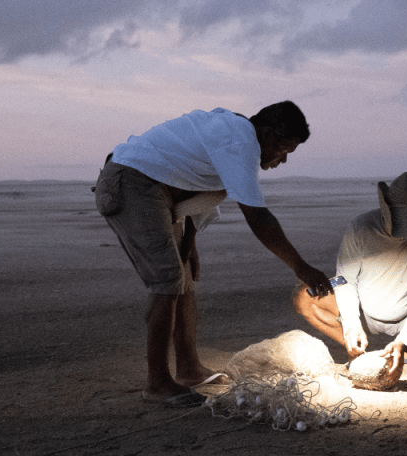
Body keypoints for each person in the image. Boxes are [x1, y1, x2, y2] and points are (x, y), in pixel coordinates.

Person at [94, 102, 331, 406]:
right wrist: (302, 268)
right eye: (284, 149)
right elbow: (258, 217)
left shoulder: (233, 137)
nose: (282, 160)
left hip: (162, 197)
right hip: (132, 184)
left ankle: (189, 368)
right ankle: (157, 383)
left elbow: (195, 192)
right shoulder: (240, 139)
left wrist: (189, 245)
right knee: (167, 280)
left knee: (186, 277)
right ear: (268, 133)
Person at [293, 172, 407, 379]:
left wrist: (406, 343)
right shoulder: (360, 227)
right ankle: (359, 354)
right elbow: (345, 280)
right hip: (364, 310)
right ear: (385, 208)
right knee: (304, 296)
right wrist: (351, 325)